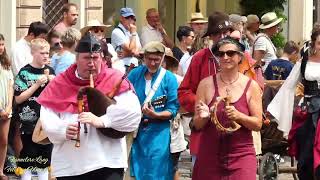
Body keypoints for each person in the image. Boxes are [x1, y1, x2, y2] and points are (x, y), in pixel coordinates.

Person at [37, 33, 141, 180]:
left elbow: (133, 114)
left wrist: (103, 121)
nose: (91, 63)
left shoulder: (115, 78)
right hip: (71, 165)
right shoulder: (60, 83)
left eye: (95, 58)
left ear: (102, 58)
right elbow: (47, 119)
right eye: (86, 58)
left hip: (108, 161)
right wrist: (62, 130)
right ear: (77, 59)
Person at [192, 37, 262, 179]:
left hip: (241, 154)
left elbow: (258, 124)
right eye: (221, 54)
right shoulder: (205, 84)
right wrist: (204, 117)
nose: (225, 57)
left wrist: (239, 116)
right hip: (210, 154)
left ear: (239, 57)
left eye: (230, 53)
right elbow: (197, 125)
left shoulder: (251, 86)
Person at [178, 11, 232, 167]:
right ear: (211, 36)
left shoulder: (242, 57)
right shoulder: (200, 58)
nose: (222, 37)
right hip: (204, 131)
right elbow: (184, 92)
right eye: (217, 34)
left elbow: (254, 90)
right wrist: (203, 106)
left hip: (234, 135)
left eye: (225, 32)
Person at [267, 29, 320, 180]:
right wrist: (277, 110)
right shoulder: (304, 61)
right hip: (308, 111)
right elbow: (289, 85)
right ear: (314, 44)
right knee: (305, 155)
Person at [128, 41, 179, 180]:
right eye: (149, 59)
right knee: (138, 170)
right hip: (136, 131)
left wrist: (156, 114)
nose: (152, 63)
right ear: (144, 58)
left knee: (157, 170)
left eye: (156, 60)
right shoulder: (135, 74)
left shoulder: (169, 79)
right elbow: (124, 97)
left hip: (158, 131)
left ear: (162, 58)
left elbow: (173, 108)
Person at [14, 38, 55, 180]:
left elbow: (57, 97)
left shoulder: (51, 71)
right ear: (33, 52)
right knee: (29, 155)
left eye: (47, 53)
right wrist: (37, 84)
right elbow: (18, 98)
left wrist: (54, 83)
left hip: (46, 121)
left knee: (45, 156)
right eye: (42, 53)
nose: (45, 56)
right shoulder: (25, 72)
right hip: (29, 122)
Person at [0, 34, 13, 180]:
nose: (1, 48)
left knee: (4, 140)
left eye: (2, 44)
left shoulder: (6, 63)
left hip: (6, 109)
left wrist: (9, 106)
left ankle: (1, 170)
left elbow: (10, 85)